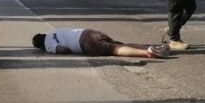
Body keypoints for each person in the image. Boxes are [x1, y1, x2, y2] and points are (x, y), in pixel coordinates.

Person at [32, 28, 170, 59]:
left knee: (115, 50)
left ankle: (148, 52)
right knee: (120, 43)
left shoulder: (48, 43)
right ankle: (152, 47)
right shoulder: (54, 32)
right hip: (89, 32)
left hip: (86, 43)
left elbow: (62, 50)